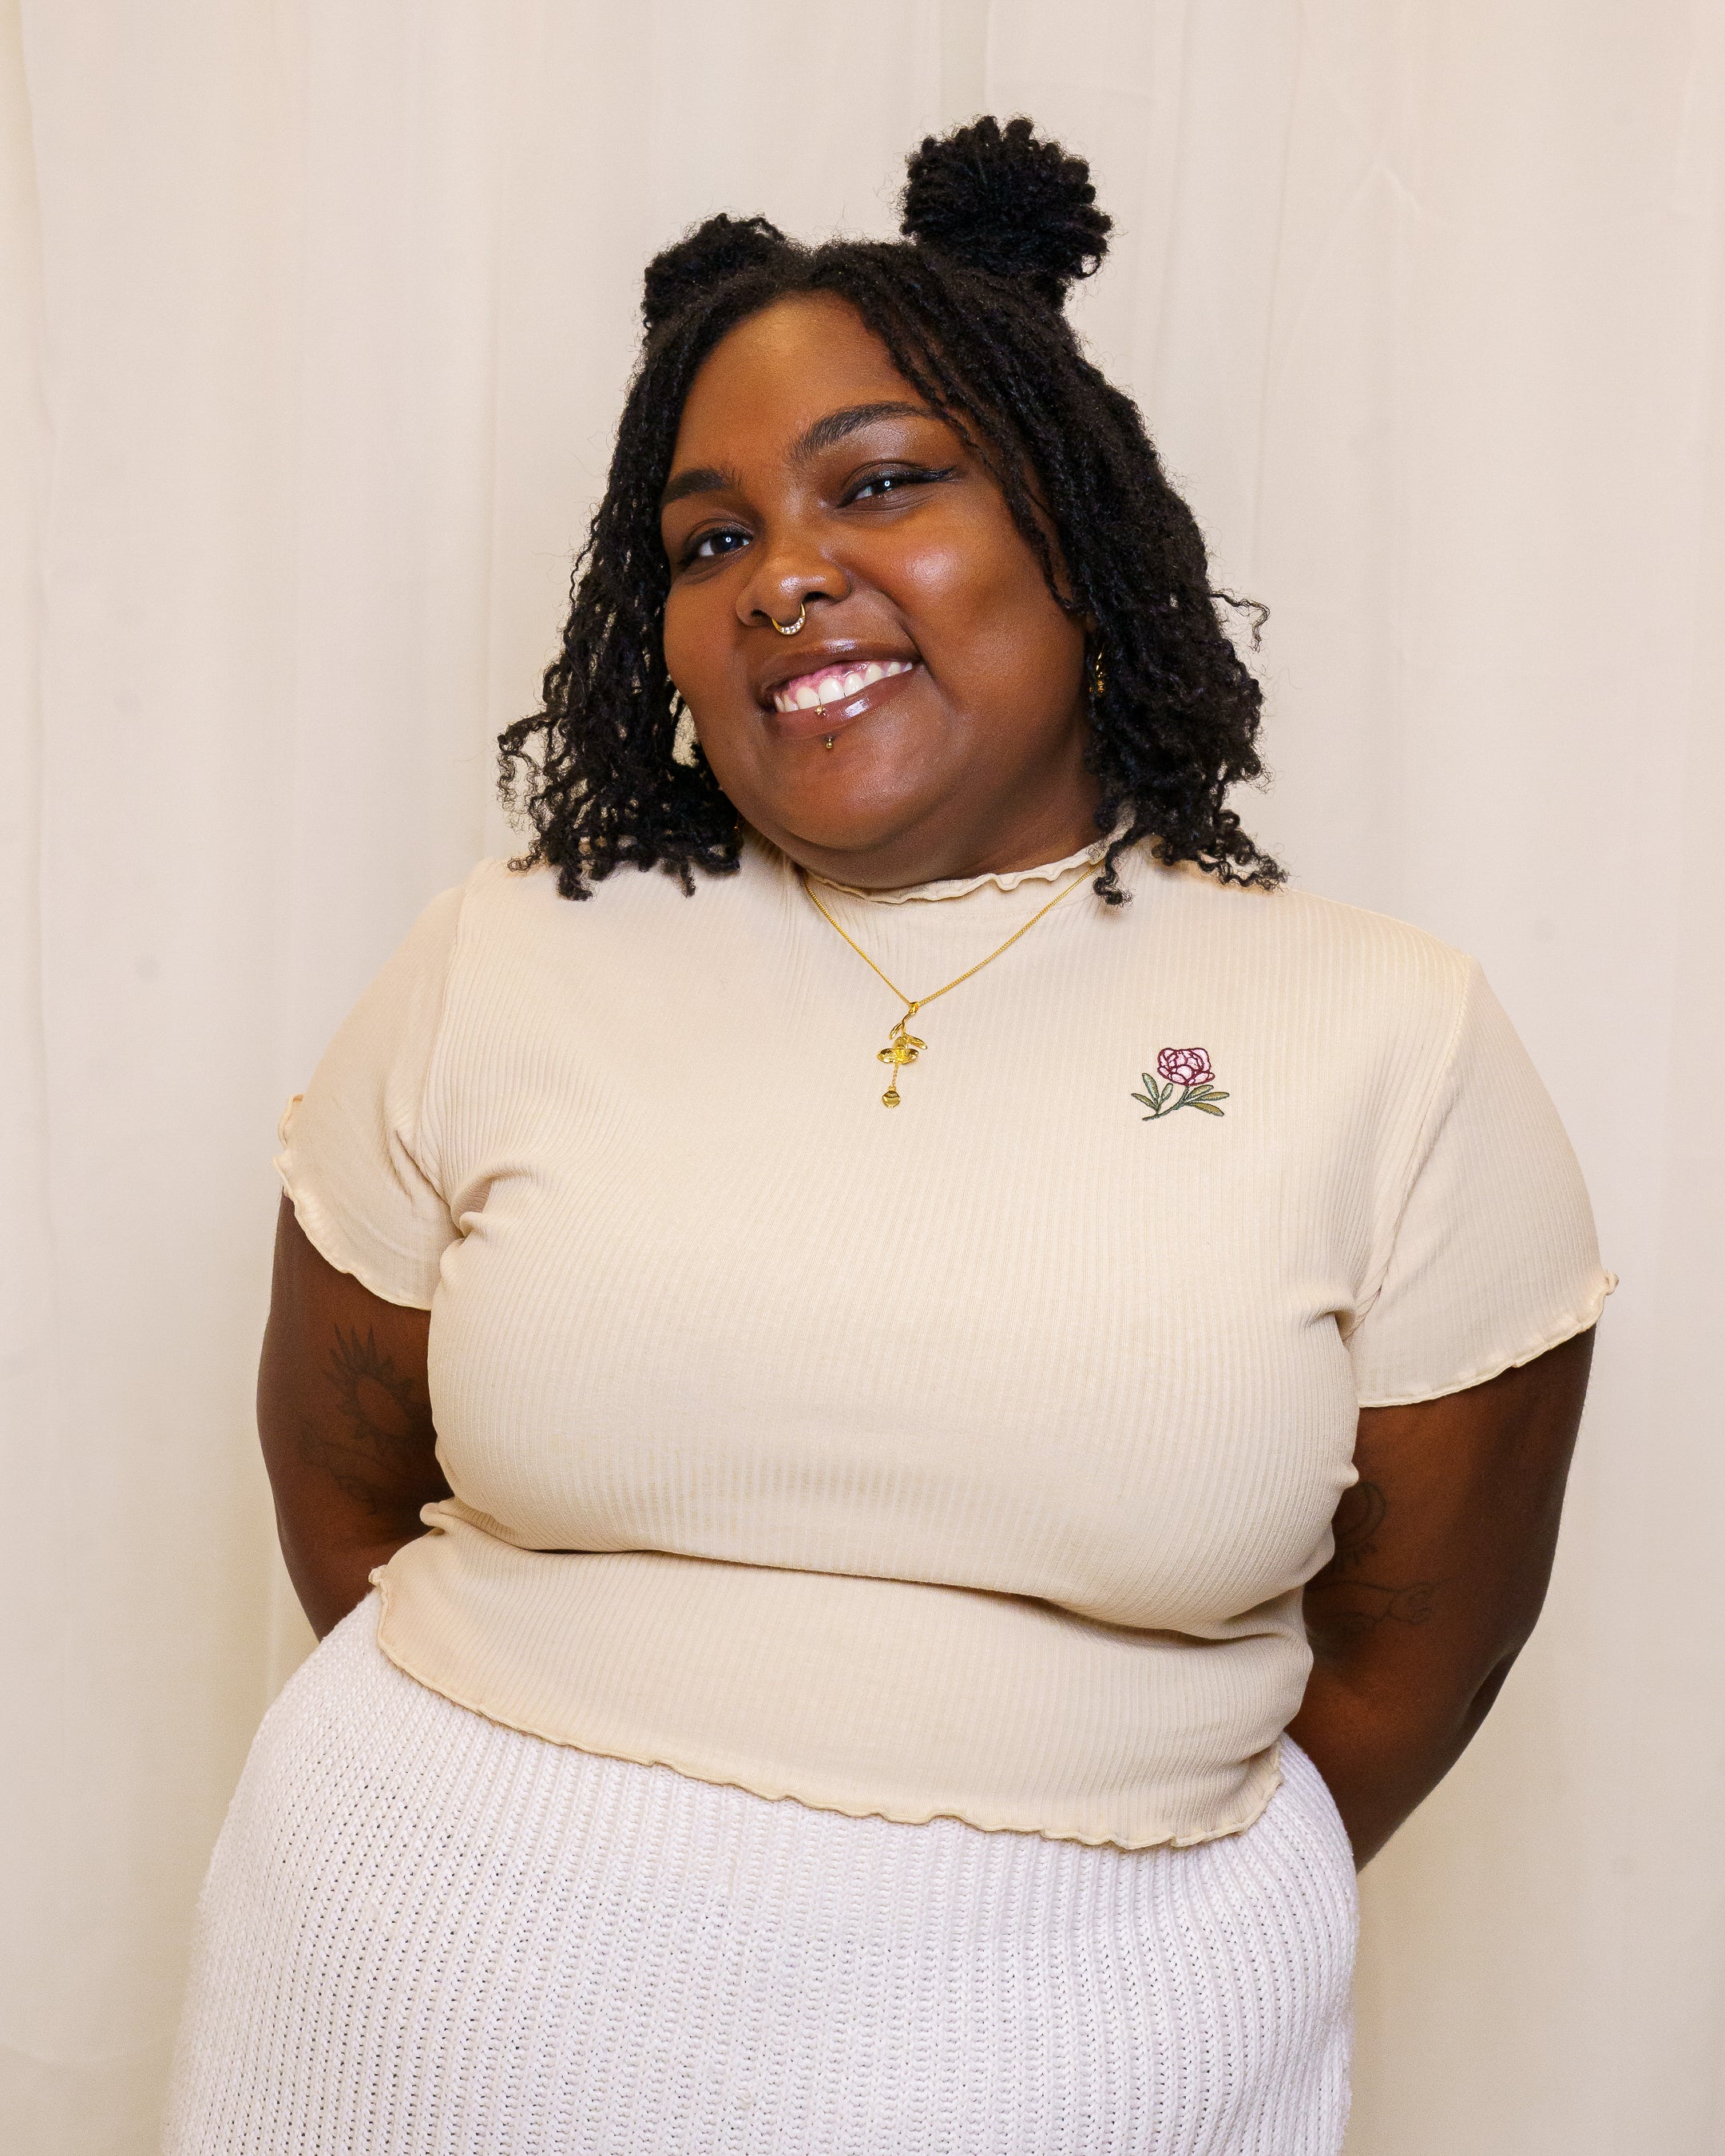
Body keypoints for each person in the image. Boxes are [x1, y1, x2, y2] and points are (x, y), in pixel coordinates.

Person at [166, 117, 1611, 2155]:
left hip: (1072, 2052)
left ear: (1074, 526)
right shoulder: (506, 955)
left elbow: (1419, 1649)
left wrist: (1040, 1914)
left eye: (879, 484)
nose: (782, 577)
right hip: (417, 1996)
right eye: (708, 540)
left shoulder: (1390, 1035)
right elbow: (343, 1482)